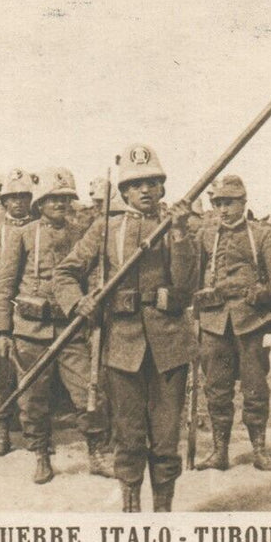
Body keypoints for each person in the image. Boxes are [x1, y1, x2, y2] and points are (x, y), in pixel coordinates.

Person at [55, 144, 197, 512]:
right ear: (124, 193)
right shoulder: (105, 229)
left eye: (152, 183)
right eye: (136, 185)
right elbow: (66, 272)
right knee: (129, 434)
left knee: (166, 437)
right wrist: (78, 301)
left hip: (169, 346)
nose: (146, 191)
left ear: (162, 188)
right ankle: (130, 509)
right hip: (122, 345)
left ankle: (163, 510)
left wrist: (180, 233)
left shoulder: (175, 227)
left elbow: (186, 286)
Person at [0, 168, 111, 484]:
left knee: (88, 390)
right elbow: (4, 285)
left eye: (65, 199)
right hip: (30, 330)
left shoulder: (79, 234)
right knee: (32, 399)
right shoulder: (22, 234)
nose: (59, 204)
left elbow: (90, 277)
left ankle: (96, 453)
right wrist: (2, 330)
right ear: (40, 203)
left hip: (70, 329)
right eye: (53, 199)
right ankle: (41, 455)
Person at [193, 174, 271, 472]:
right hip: (214, 322)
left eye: (230, 203)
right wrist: (193, 320)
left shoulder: (262, 236)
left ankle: (259, 452)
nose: (223, 209)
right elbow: (193, 279)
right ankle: (219, 452)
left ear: (243, 203)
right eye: (218, 203)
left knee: (255, 387)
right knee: (216, 388)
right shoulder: (205, 235)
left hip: (252, 322)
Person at [0, 167, 34, 455]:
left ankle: (34, 433)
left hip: (28, 310)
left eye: (24, 196)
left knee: (31, 370)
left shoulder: (39, 229)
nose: (18, 203)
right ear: (3, 202)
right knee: (0, 373)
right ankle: (2, 433)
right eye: (12, 198)